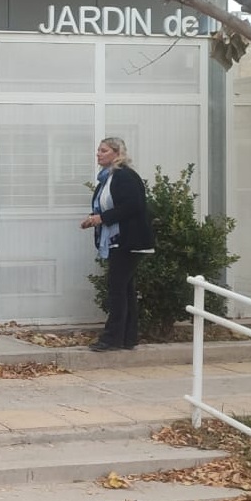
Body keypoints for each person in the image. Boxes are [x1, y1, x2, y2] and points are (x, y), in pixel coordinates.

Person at [80, 137, 155, 352]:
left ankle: (111, 339)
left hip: (128, 241)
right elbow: (109, 206)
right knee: (125, 289)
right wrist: (93, 218)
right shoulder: (107, 179)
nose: (98, 154)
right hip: (117, 241)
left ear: (117, 153)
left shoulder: (125, 176)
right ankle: (128, 338)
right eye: (98, 150)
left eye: (104, 150)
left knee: (117, 289)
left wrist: (102, 218)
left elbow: (133, 205)